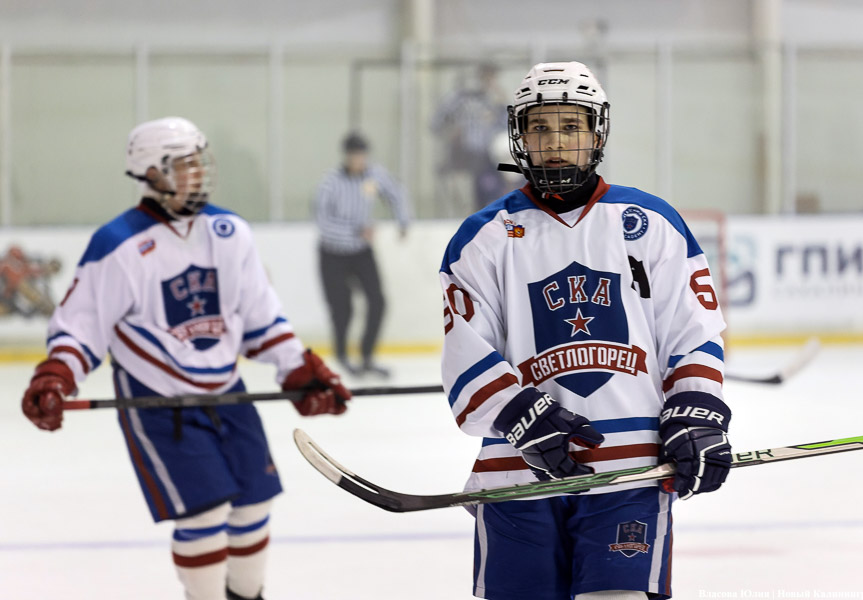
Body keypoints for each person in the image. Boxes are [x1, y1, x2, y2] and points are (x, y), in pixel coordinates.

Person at [20, 116, 351, 600]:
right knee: (204, 512)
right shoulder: (118, 244)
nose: (198, 173)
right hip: (160, 401)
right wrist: (56, 375)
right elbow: (81, 324)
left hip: (228, 391)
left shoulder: (228, 231)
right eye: (184, 164)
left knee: (254, 504)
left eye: (200, 161)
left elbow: (260, 313)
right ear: (151, 173)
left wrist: (298, 370)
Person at [440, 62, 732, 599]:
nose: (555, 143)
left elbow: (693, 331)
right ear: (520, 136)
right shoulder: (483, 237)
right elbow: (465, 350)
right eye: (541, 128)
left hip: (630, 469)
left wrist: (696, 408)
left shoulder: (651, 222)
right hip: (517, 472)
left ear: (596, 134)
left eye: (571, 127)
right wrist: (516, 414)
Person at [314, 131, 410, 377]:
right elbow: (323, 224)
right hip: (332, 254)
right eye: (355, 155)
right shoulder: (331, 183)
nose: (360, 160)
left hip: (361, 252)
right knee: (342, 308)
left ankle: (367, 355)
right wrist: (356, 231)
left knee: (377, 301)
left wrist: (402, 220)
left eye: (363, 155)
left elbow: (396, 193)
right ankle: (343, 356)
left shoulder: (374, 175)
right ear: (347, 156)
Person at [431, 62, 508, 212]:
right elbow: (436, 123)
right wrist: (451, 131)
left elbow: (508, 126)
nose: (490, 81)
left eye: (493, 78)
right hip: (462, 158)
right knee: (465, 203)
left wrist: (501, 104)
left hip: (488, 160)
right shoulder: (459, 98)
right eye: (486, 77)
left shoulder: (494, 100)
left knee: (487, 201)